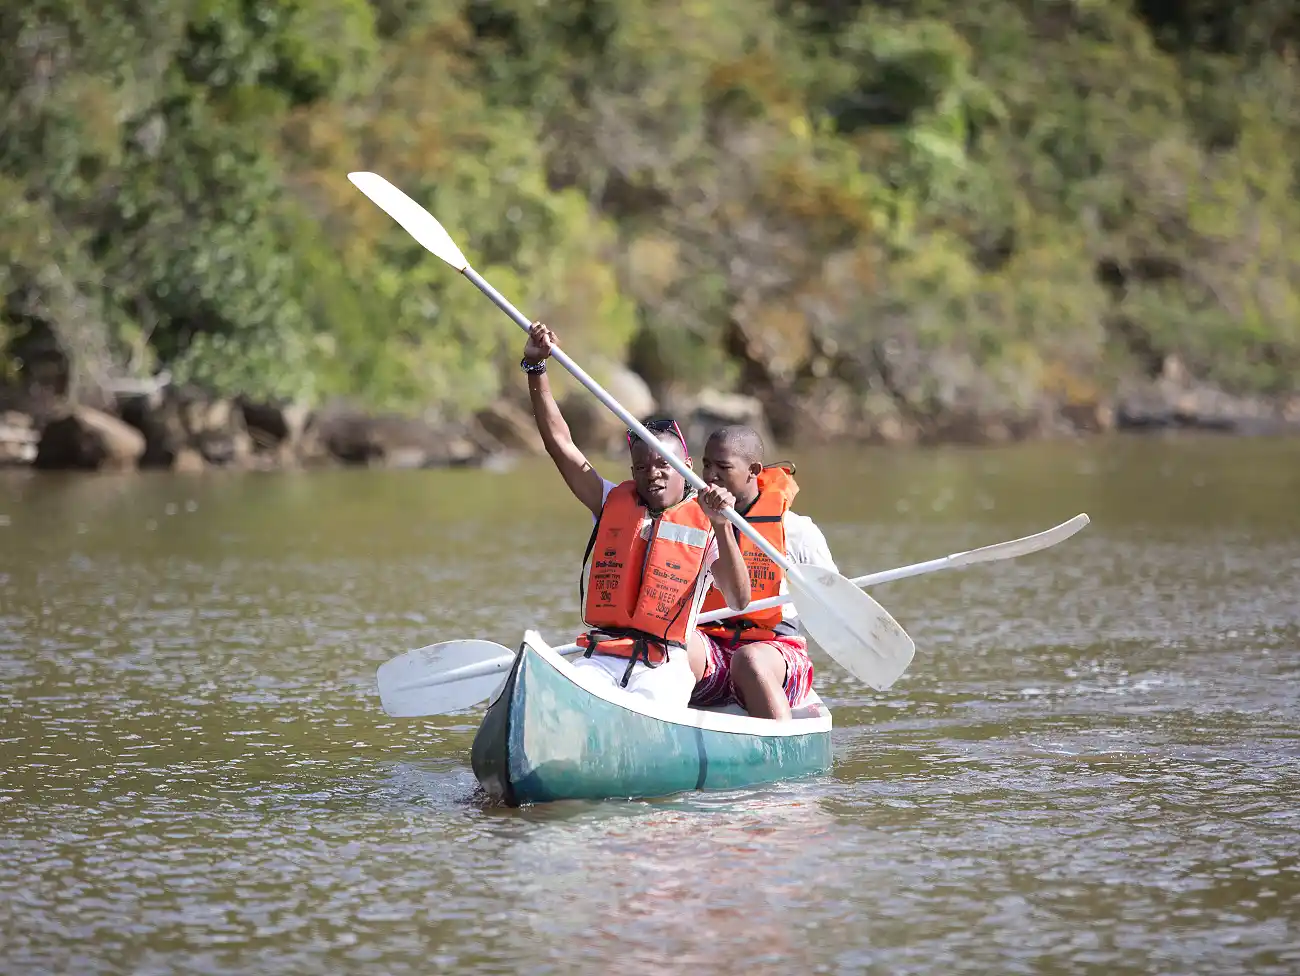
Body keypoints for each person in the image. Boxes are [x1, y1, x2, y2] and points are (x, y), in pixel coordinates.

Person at [520, 321, 752, 703]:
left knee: (646, 704)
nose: (653, 475)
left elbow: (739, 600)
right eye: (642, 468)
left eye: (664, 465)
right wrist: (536, 369)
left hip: (665, 665)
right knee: (568, 695)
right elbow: (560, 443)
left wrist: (723, 526)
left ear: (686, 466)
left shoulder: (709, 521)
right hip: (603, 657)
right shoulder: (609, 501)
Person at [690, 424, 839, 721]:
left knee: (749, 660)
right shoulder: (691, 521)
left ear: (753, 470)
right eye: (707, 464)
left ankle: (780, 749)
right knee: (672, 645)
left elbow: (833, 601)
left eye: (723, 467)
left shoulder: (796, 530)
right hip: (713, 650)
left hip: (773, 654)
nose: (710, 476)